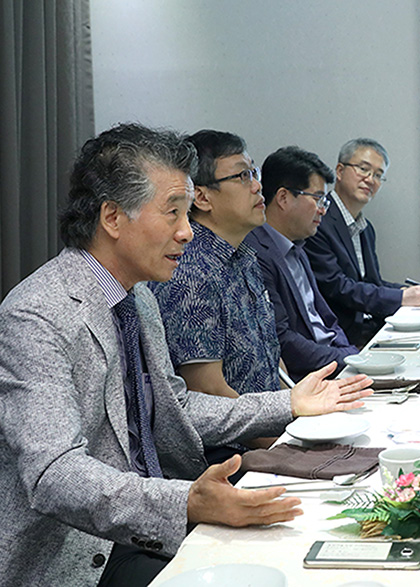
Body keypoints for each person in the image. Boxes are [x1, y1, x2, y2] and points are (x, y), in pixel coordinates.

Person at [0, 123, 372, 586]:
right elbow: (55, 474)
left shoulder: (138, 297)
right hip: (81, 553)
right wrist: (183, 503)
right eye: (172, 213)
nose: (187, 233)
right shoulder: (37, 314)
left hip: (152, 523)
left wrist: (289, 405)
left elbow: (175, 408)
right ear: (113, 218)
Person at [150, 130, 280, 461]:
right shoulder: (190, 270)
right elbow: (207, 391)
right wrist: (286, 444)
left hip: (268, 432)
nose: (256, 186)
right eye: (242, 175)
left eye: (255, 173)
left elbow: (268, 357)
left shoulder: (245, 255)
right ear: (203, 198)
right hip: (227, 455)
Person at [304, 138, 420, 346]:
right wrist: (400, 298)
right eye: (363, 169)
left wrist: (406, 291)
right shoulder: (319, 220)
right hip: (343, 337)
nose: (370, 180)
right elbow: (337, 287)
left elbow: (371, 283)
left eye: (378, 175)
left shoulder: (366, 228)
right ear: (339, 171)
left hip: (372, 329)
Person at [245, 146, 360, 382]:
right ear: (284, 198)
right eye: (318, 198)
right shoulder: (256, 252)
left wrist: (350, 356)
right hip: (307, 379)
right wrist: (347, 359)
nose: (322, 210)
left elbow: (327, 321)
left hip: (335, 364)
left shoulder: (298, 245)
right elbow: (282, 340)